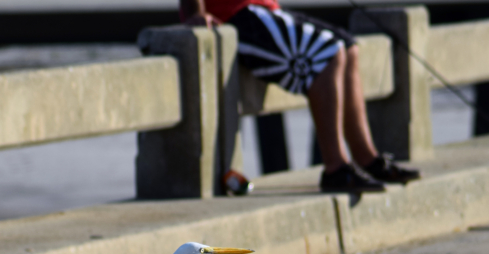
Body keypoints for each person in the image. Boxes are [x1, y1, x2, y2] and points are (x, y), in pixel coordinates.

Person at [179, 0, 420, 193]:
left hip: (264, 8)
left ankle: (368, 160)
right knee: (326, 54)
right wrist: (194, 13)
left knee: (348, 48)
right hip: (232, 14)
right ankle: (336, 169)